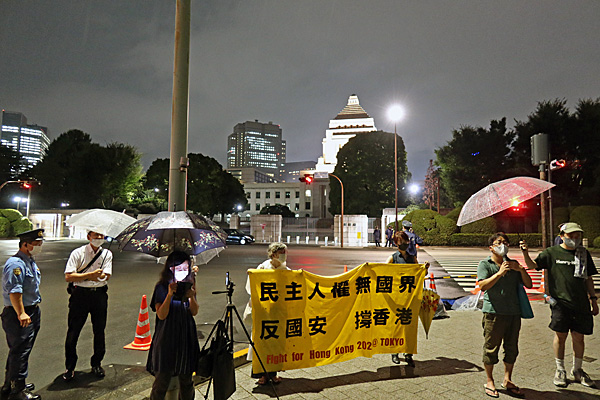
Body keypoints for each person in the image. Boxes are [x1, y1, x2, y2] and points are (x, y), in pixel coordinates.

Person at [521, 222, 598, 388]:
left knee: (579, 337)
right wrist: (525, 253)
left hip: (581, 304)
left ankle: (577, 370)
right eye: (571, 235)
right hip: (560, 304)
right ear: (562, 236)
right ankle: (560, 369)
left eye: (577, 235)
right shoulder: (551, 253)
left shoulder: (583, 253)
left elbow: (588, 278)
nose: (574, 238)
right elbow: (533, 266)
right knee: (561, 336)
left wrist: (593, 300)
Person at [478, 233, 532, 398]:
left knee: (511, 348)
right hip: (493, 313)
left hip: (513, 312)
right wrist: (499, 273)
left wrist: (520, 269)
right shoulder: (485, 264)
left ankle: (507, 379)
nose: (503, 245)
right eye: (499, 242)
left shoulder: (513, 264)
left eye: (506, 242)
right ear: (491, 248)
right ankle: (489, 380)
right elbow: (482, 286)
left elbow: (529, 284)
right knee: (491, 348)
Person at [146, 251, 199, 400]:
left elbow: (194, 312)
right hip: (167, 337)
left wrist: (191, 297)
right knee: (162, 381)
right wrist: (169, 295)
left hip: (186, 337)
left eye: (186, 268)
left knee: (187, 381)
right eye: (179, 268)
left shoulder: (189, 285)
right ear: (170, 268)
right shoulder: (162, 287)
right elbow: (161, 315)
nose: (183, 271)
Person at [62, 231, 112, 381]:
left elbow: (107, 275)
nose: (99, 238)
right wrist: (90, 276)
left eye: (101, 235)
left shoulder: (107, 254)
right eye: (95, 235)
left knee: (99, 331)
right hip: (80, 295)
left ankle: (97, 363)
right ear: (88, 237)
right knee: (73, 332)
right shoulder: (78, 253)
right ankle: (70, 367)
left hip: (99, 295)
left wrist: (97, 276)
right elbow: (69, 276)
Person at [1, 229, 44, 400]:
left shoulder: (29, 261)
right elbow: (15, 292)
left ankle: (9, 384)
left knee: (18, 350)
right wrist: (21, 313)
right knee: (21, 351)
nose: (39, 246)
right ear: (25, 244)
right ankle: (18, 391)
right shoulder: (16, 264)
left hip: (31, 310)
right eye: (36, 243)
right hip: (19, 313)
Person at [244, 242, 289, 385]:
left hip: (277, 312)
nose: (284, 255)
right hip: (263, 312)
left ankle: (273, 374)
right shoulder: (263, 267)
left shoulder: (286, 270)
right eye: (282, 253)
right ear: (274, 254)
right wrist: (252, 275)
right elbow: (251, 288)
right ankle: (261, 375)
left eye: (285, 252)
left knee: (275, 342)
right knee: (261, 341)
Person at [385, 231, 429, 368]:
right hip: (397, 298)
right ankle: (394, 352)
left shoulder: (412, 258)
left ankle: (408, 354)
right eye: (401, 242)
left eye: (405, 242)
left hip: (410, 298)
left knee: (410, 327)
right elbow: (383, 272)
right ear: (396, 243)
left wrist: (425, 268)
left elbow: (421, 274)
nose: (404, 244)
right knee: (396, 326)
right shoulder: (393, 258)